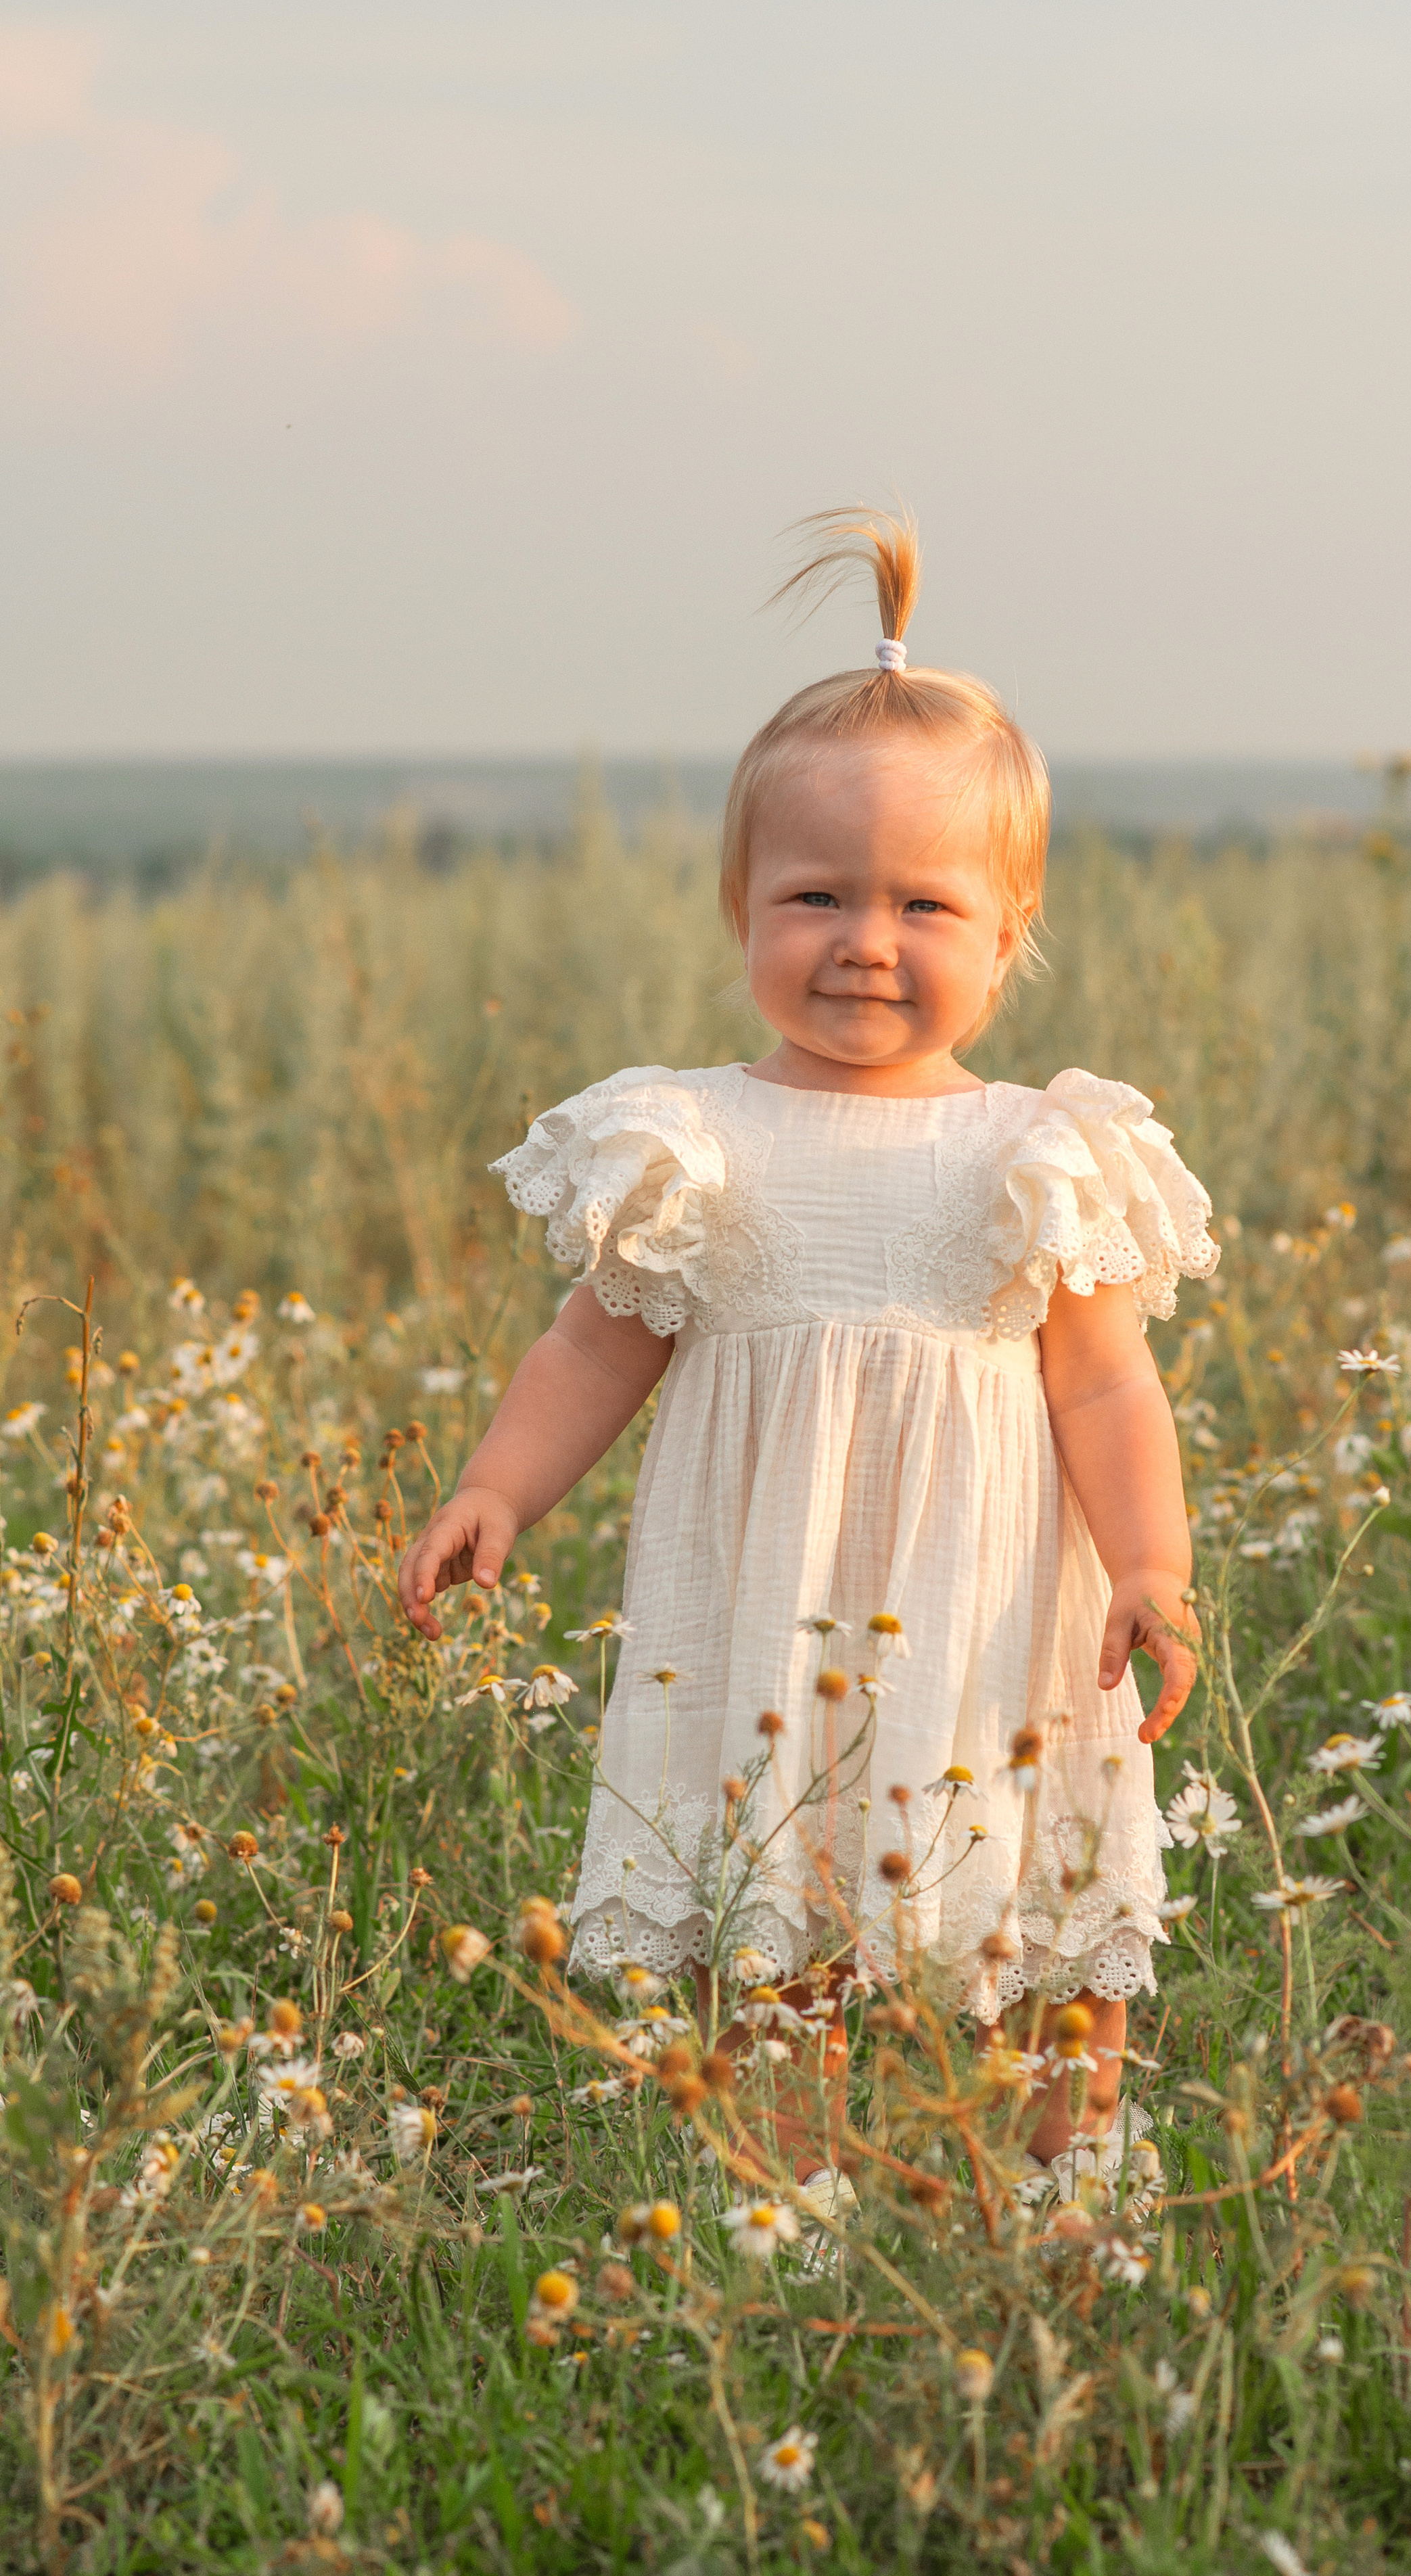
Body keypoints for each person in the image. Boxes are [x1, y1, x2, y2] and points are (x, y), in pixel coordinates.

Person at [398, 508, 1218, 2177]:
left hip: (989, 1619)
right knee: (778, 1917)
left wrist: (1149, 1564)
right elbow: (595, 1346)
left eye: (925, 904)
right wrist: (497, 1488)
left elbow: (1104, 1379)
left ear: (1008, 933)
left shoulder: (1032, 1151)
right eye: (816, 894)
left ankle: (1062, 2201)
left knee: (1035, 1901)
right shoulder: (688, 1136)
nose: (865, 939)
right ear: (739, 907)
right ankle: (793, 2218)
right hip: (763, 1615)